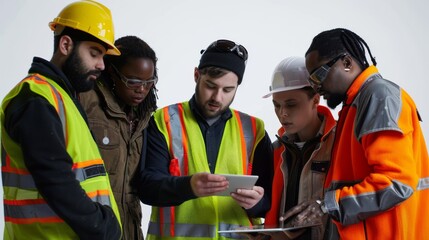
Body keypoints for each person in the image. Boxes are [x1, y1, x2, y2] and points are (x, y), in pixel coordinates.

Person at [283, 28, 429, 239]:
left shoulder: (379, 96)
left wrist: (326, 206)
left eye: (319, 75)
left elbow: (396, 182)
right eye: (311, 80)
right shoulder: (355, 103)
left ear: (347, 63)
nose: (316, 86)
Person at [1, 1, 122, 239]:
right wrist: (102, 226)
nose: (101, 65)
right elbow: (55, 180)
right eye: (94, 53)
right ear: (66, 45)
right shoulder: (35, 100)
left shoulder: (62, 97)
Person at [138, 39, 274, 240]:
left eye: (228, 90)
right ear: (196, 75)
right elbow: (147, 188)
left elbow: (271, 200)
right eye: (211, 86)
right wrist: (189, 186)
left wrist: (257, 204)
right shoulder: (163, 121)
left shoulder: (255, 129)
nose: (217, 98)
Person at [79, 35, 158, 240]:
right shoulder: (86, 100)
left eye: (149, 82)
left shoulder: (145, 117)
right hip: (90, 229)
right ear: (112, 72)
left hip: (129, 231)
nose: (141, 89)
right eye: (133, 81)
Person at [254, 56, 335, 240]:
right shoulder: (276, 151)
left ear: (315, 100)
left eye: (291, 104)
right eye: (276, 105)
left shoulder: (340, 144)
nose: (282, 113)